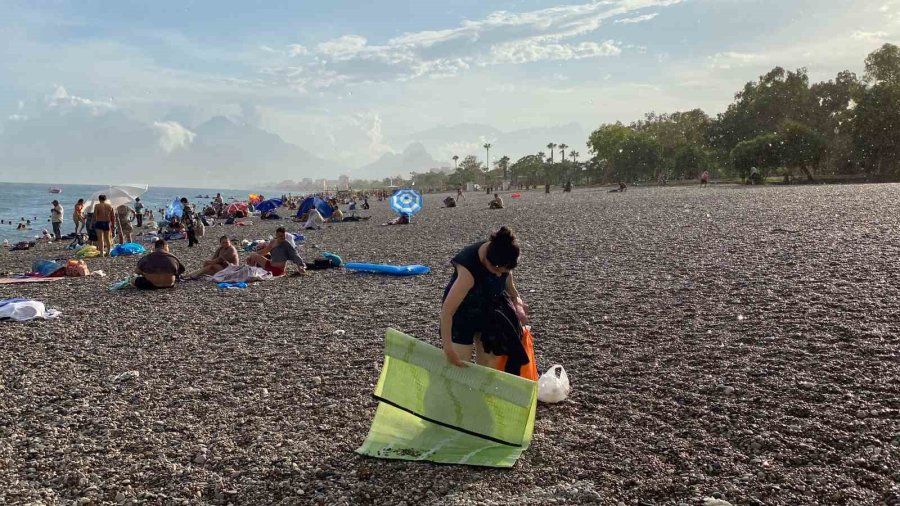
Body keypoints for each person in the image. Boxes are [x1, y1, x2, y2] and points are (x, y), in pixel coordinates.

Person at [440, 226, 527, 369]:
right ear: (487, 260)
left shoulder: (503, 256)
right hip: (462, 314)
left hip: (490, 311)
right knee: (458, 364)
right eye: (496, 271)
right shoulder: (468, 272)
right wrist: (448, 348)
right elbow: (447, 312)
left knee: (488, 366)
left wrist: (518, 304)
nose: (499, 275)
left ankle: (483, 391)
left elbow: (511, 289)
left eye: (504, 271)